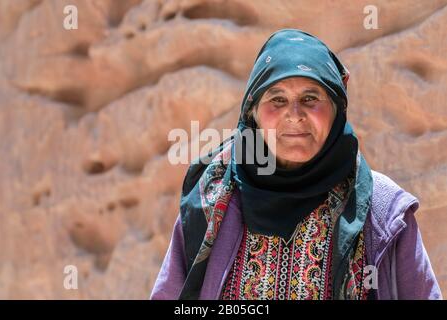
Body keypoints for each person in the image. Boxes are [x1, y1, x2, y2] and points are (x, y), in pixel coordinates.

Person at [151, 29, 442, 300]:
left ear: (336, 109)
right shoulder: (212, 201)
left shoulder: (382, 208)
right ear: (253, 114)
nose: (294, 115)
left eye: (310, 98)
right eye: (277, 99)